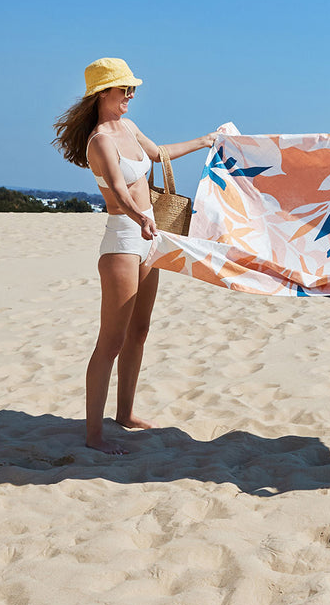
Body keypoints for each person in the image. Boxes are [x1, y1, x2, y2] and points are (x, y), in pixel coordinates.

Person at [53, 58, 217, 454]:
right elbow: (116, 188)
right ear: (102, 94)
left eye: (132, 90)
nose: (130, 96)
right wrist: (139, 216)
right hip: (124, 241)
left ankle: (124, 414)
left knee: (139, 332)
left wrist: (204, 141)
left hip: (149, 238)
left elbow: (159, 154)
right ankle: (94, 436)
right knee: (110, 341)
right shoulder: (99, 141)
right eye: (123, 89)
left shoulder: (127, 128)